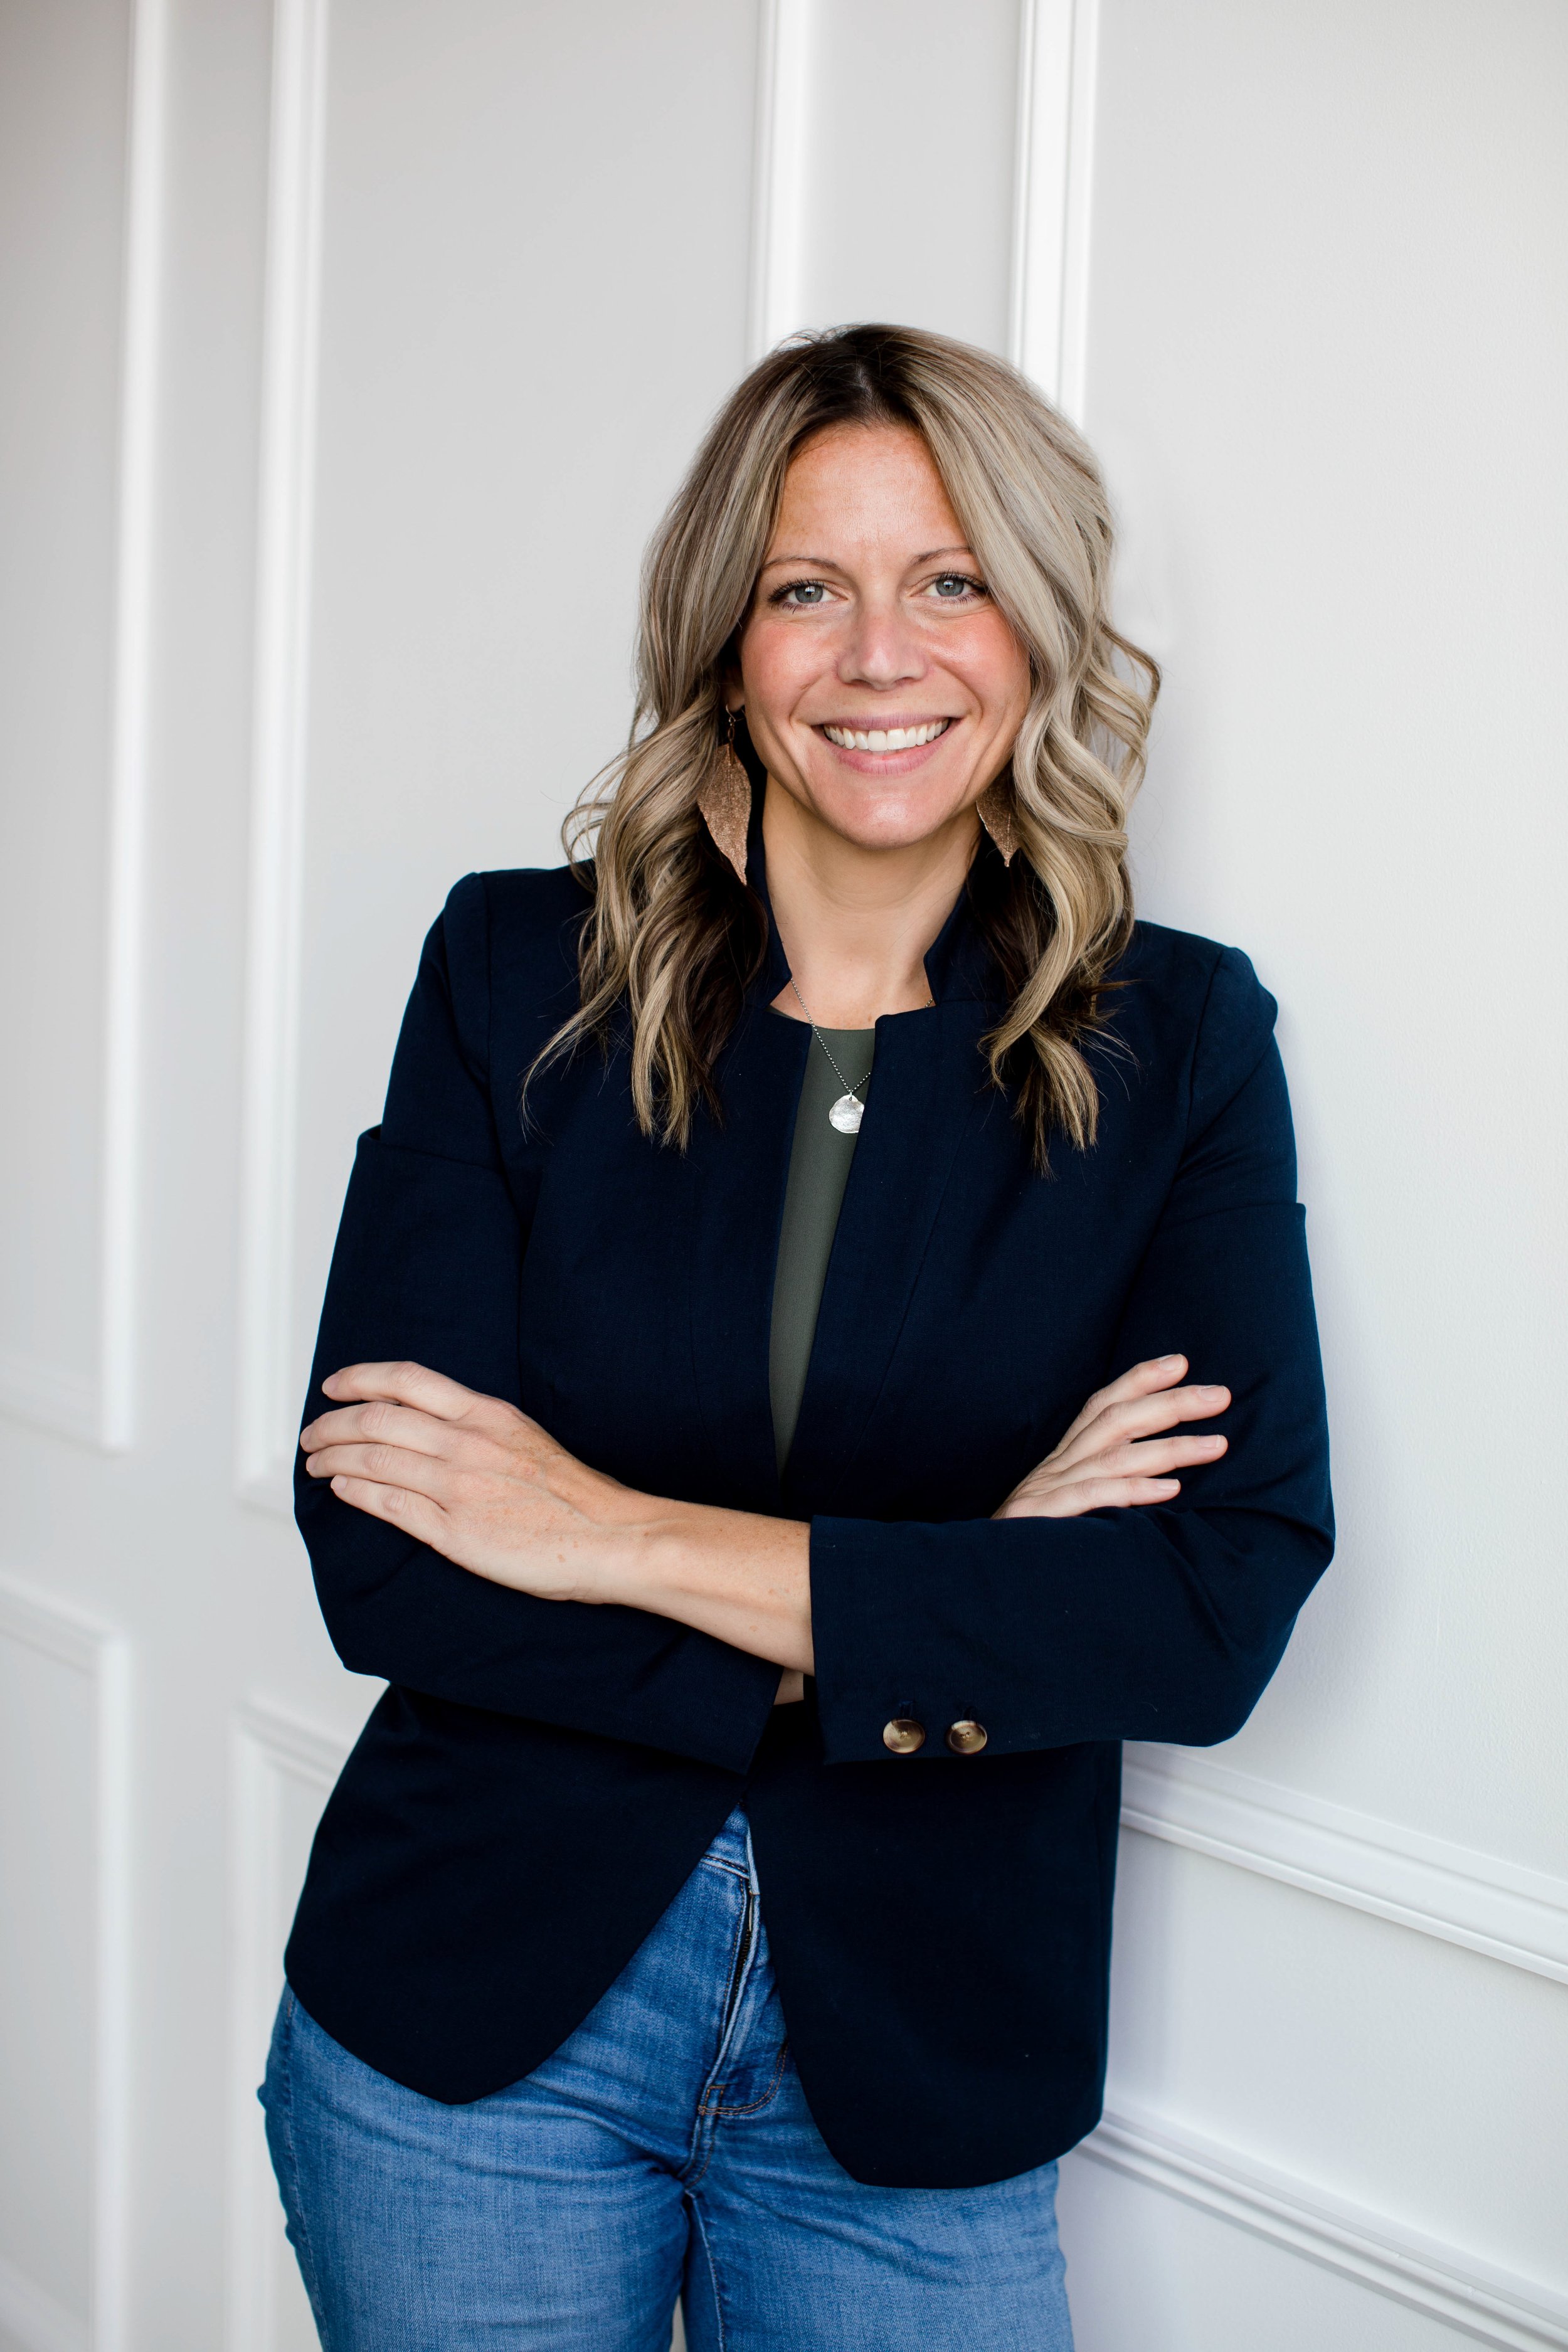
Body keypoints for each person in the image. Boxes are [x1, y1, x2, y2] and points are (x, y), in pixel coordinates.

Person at [262, 323, 1333, 2350]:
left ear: (1033, 627)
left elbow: (1206, 1610)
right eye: (803, 587)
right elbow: (387, 1541)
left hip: (921, 2055)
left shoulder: (1180, 1038)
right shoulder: (515, 975)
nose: (877, 654)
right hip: (469, 2021)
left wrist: (595, 1527)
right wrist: (968, 1585)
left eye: (947, 581)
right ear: (724, 638)